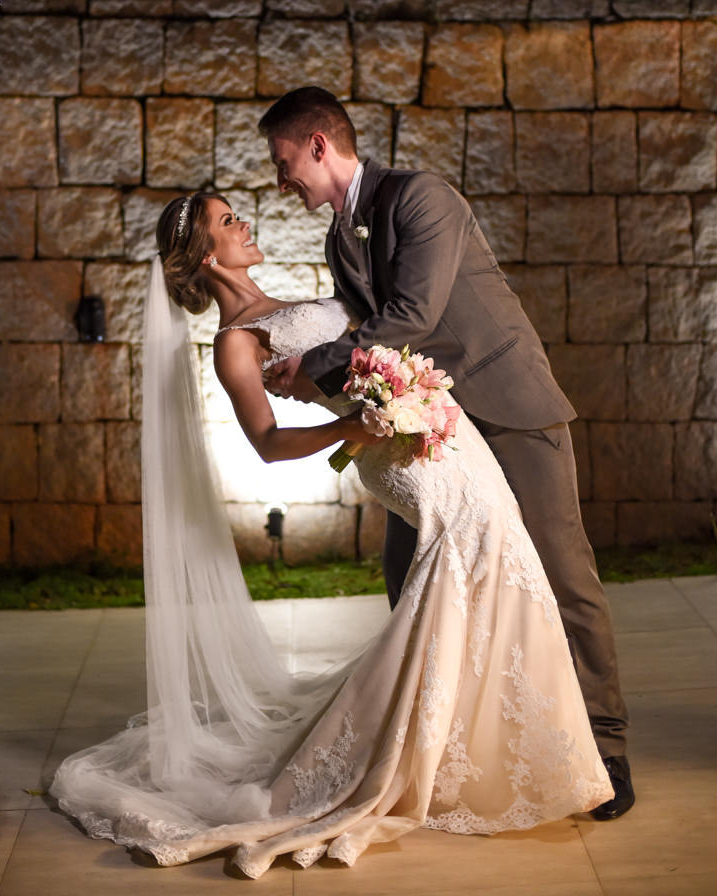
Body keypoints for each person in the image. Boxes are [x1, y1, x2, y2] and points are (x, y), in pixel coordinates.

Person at [50, 188, 613, 877]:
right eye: (227, 221)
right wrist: (352, 427)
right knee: (476, 553)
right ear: (207, 255)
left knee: (499, 556)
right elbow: (267, 444)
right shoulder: (235, 344)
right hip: (392, 452)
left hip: (438, 425)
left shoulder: (288, 302)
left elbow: (375, 340)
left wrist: (404, 386)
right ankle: (446, 745)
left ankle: (479, 734)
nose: (244, 222)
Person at [259, 86, 633, 822]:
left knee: (561, 572)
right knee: (409, 574)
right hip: (431, 425)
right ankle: (442, 740)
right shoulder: (338, 239)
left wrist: (315, 368)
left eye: (282, 162)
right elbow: (363, 330)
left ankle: (607, 746)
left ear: (317, 145)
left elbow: (412, 315)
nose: (280, 181)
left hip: (508, 406)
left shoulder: (421, 196)